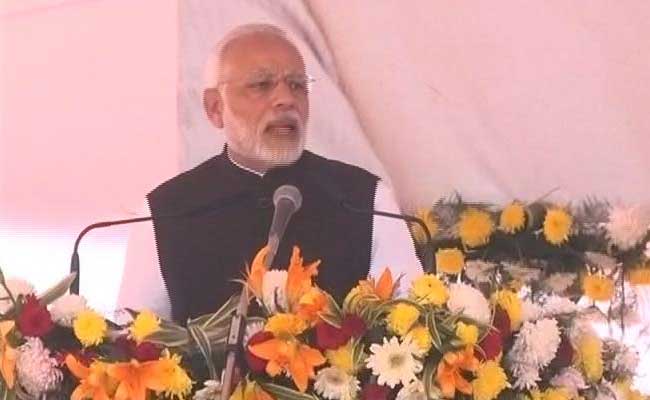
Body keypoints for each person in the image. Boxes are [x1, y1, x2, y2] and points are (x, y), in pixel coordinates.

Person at [117, 23, 422, 324]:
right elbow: (135, 346)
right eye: (261, 85)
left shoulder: (365, 198)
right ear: (214, 108)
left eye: (297, 85)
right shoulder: (165, 211)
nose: (285, 99)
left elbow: (410, 325)